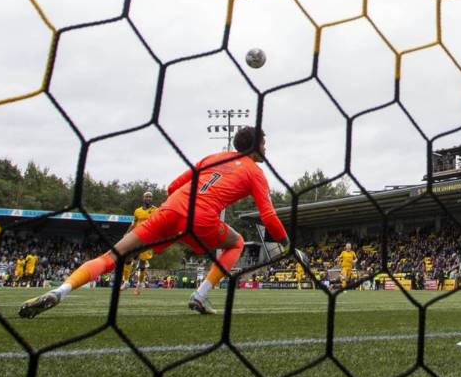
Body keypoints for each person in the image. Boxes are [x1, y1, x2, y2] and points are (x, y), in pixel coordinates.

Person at [19, 126, 292, 318]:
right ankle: (201, 294)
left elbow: (173, 185)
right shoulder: (256, 172)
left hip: (170, 210)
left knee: (113, 254)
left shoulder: (212, 157)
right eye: (264, 143)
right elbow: (268, 215)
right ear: (256, 146)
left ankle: (61, 290)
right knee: (237, 242)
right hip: (202, 219)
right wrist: (283, 240)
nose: (266, 148)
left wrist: (175, 217)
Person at [127, 191, 158, 296]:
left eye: (150, 197)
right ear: (143, 198)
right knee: (127, 256)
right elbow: (133, 223)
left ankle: (139, 284)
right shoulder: (137, 211)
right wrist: (126, 234)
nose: (148, 198)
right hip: (136, 237)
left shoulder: (155, 210)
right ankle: (126, 281)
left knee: (142, 263)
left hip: (148, 238)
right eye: (147, 197)